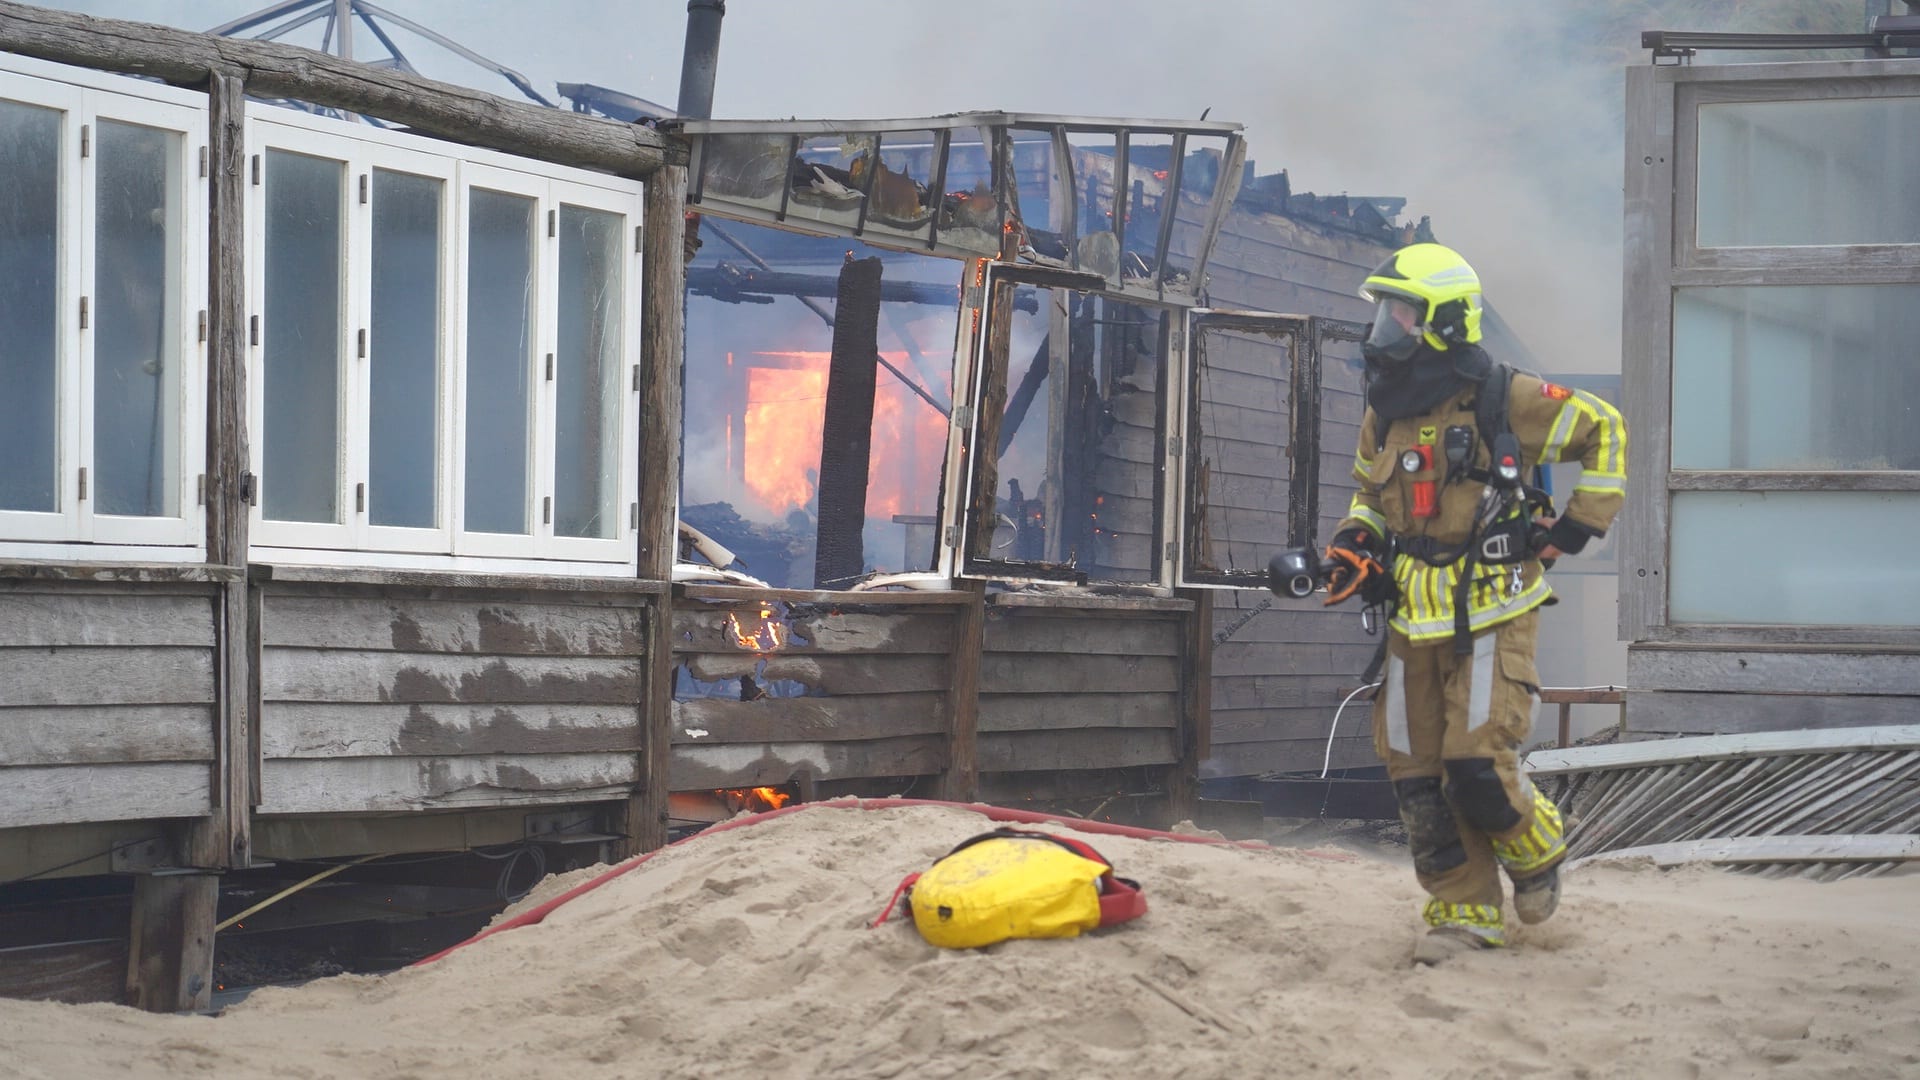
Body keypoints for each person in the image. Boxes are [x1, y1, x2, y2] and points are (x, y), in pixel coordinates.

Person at [1321, 242, 1625, 964]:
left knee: (1477, 764)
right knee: (1417, 778)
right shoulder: (1383, 412)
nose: (1385, 330)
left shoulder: (1505, 397)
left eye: (1401, 314)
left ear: (1445, 323)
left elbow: (1605, 432)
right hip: (1408, 619)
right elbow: (1368, 498)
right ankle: (1464, 914)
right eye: (1383, 314)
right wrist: (1352, 547)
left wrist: (1577, 529)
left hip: (1493, 608)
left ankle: (1538, 849)